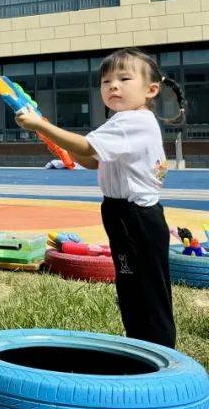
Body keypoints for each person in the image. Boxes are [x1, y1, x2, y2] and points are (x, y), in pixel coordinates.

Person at [15, 48, 183, 348]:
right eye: (106, 81)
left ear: (151, 89)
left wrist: (42, 125)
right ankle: (143, 343)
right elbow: (94, 159)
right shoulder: (125, 121)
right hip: (128, 215)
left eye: (124, 78)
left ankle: (157, 351)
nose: (112, 86)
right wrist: (54, 138)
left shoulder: (132, 121)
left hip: (135, 217)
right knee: (133, 285)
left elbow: (87, 147)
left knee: (144, 289)